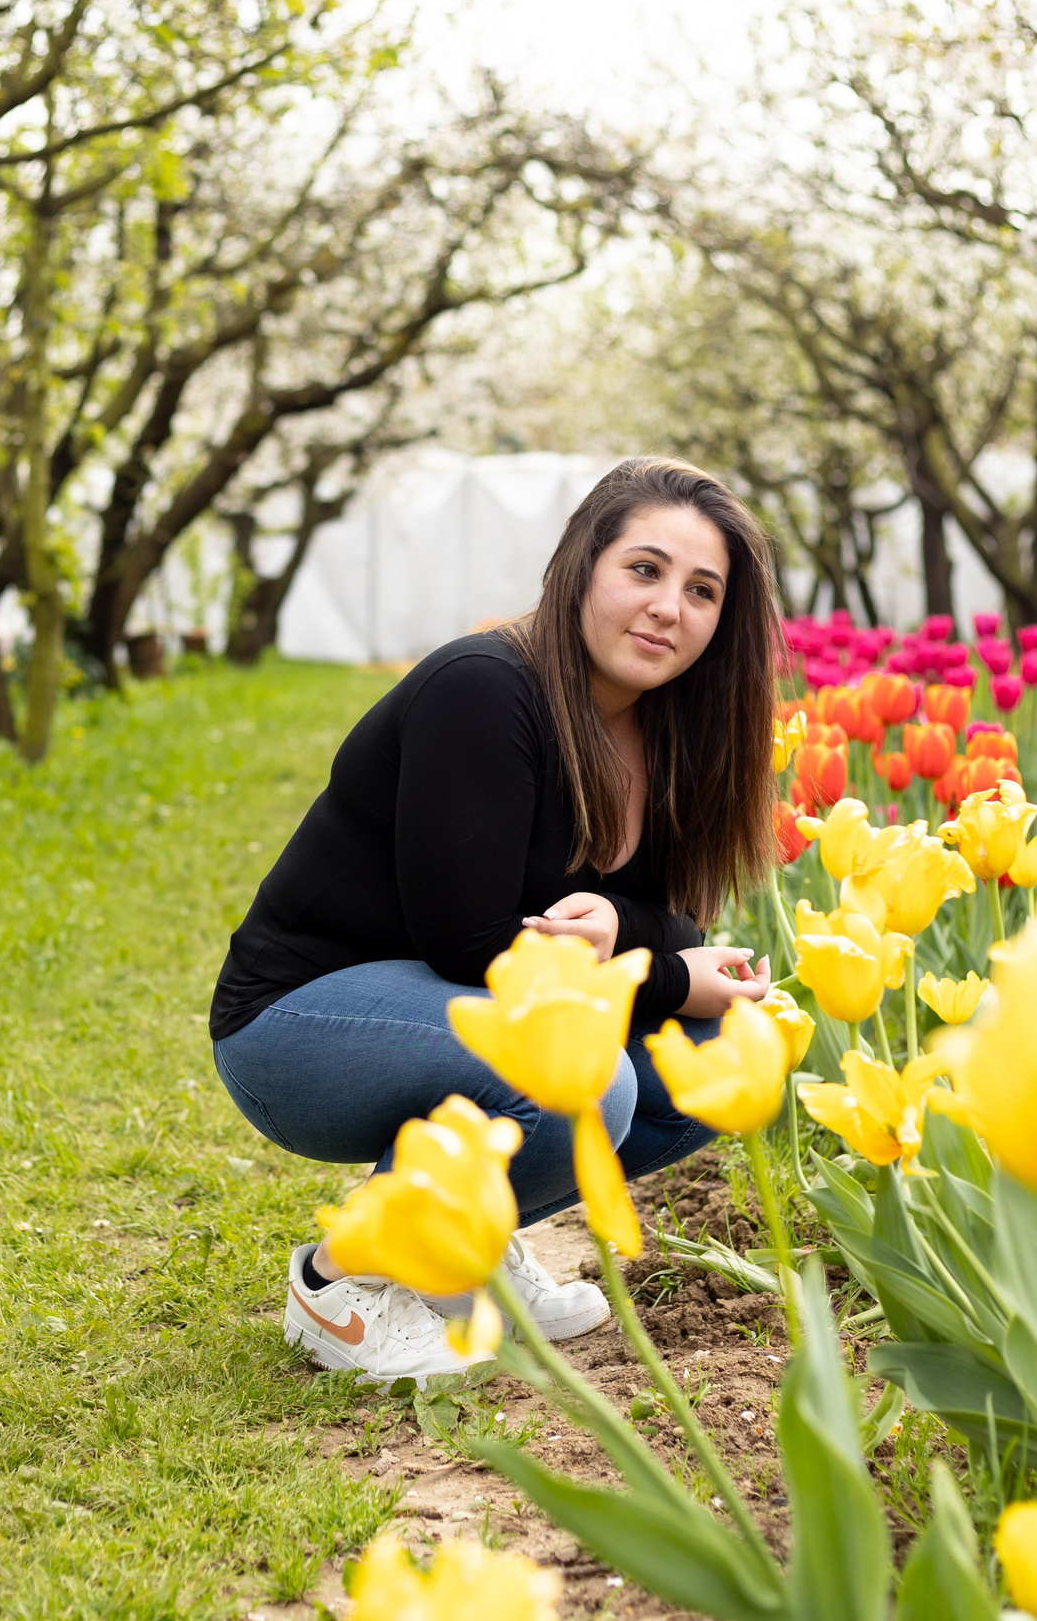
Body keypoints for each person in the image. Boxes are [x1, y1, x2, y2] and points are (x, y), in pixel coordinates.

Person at [208, 456, 781, 1381]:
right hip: (299, 1025)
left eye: (702, 590)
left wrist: (645, 947)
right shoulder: (484, 687)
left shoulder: (672, 734)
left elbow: (669, 920)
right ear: (580, 567)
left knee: (724, 1050)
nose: (669, 605)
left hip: (443, 1015)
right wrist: (667, 975)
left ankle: (460, 1248)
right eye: (644, 569)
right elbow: (469, 940)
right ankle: (337, 1280)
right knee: (592, 1077)